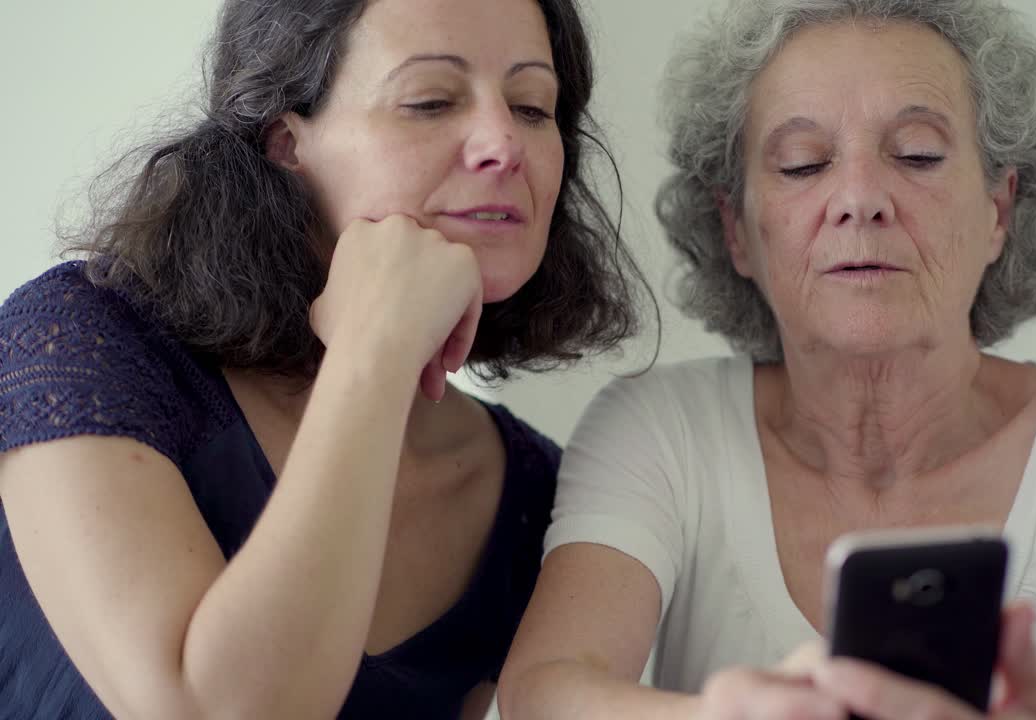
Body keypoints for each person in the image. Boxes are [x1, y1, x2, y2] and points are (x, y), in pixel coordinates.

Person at [497, 0, 1036, 718]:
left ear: (999, 210)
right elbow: (545, 690)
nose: (861, 196)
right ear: (737, 230)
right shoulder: (659, 429)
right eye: (804, 163)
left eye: (917, 154)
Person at [0, 0, 643, 717]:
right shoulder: (78, 338)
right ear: (284, 141)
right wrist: (374, 352)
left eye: (531, 107)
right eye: (430, 101)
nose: (504, 143)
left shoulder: (540, 494)